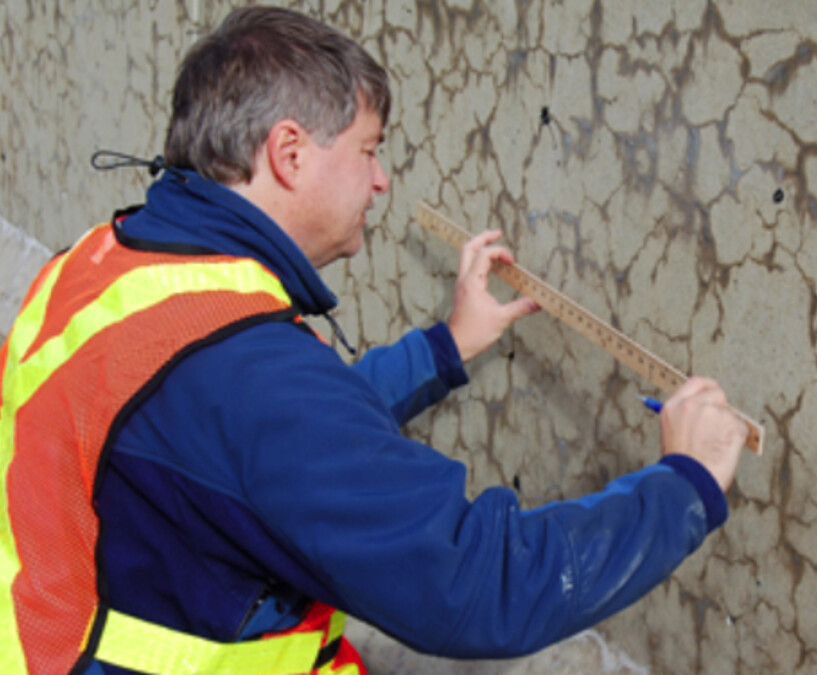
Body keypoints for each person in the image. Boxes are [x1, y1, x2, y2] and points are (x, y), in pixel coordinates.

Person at [0, 6, 747, 675]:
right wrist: (686, 481)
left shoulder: (111, 259)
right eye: (368, 149)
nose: (383, 179)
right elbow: (475, 581)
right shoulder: (248, 378)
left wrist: (445, 346)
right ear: (290, 153)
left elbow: (264, 444)